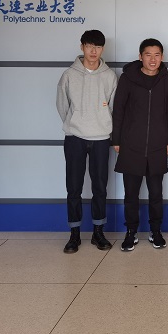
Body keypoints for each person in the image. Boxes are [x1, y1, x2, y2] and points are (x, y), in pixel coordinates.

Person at [56, 29, 117, 254]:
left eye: (98, 47)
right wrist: (75, 123)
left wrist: (103, 123)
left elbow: (114, 107)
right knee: (74, 187)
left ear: (103, 49)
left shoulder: (110, 76)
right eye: (89, 46)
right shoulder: (68, 75)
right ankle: (74, 234)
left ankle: (98, 232)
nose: (94, 51)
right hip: (75, 138)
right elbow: (62, 106)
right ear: (82, 46)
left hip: (101, 138)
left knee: (100, 187)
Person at [112, 38, 168, 252]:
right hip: (131, 144)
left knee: (156, 193)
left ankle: (155, 231)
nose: (152, 59)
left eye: (157, 55)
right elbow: (119, 109)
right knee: (131, 194)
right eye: (148, 54)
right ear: (140, 56)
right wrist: (116, 139)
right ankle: (131, 232)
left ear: (162, 57)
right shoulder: (128, 78)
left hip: (158, 145)